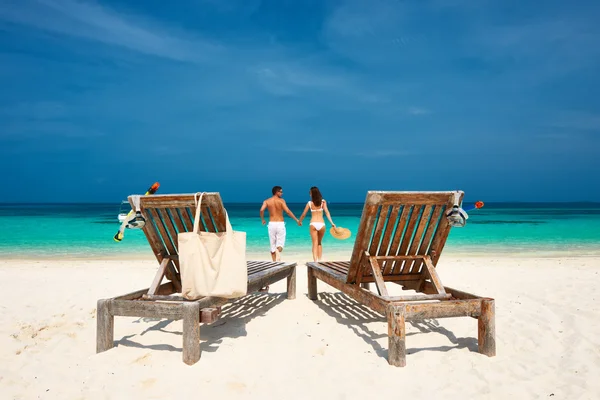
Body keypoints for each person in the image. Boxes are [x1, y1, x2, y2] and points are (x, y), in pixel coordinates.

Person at [260, 186, 301, 262]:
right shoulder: (281, 201)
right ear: (276, 192)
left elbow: (261, 210)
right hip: (280, 224)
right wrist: (296, 220)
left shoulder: (267, 201)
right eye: (281, 192)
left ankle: (274, 263)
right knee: (280, 246)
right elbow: (288, 211)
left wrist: (262, 219)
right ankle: (277, 252)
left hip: (271, 224)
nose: (282, 193)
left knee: (272, 246)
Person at [298, 186, 336, 262]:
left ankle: (315, 261)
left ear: (312, 194)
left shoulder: (309, 203)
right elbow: (327, 213)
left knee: (314, 243)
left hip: (313, 224)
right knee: (319, 243)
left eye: (310, 193)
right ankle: (320, 260)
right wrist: (332, 223)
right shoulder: (323, 202)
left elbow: (303, 214)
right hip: (322, 224)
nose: (309, 194)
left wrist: (300, 221)